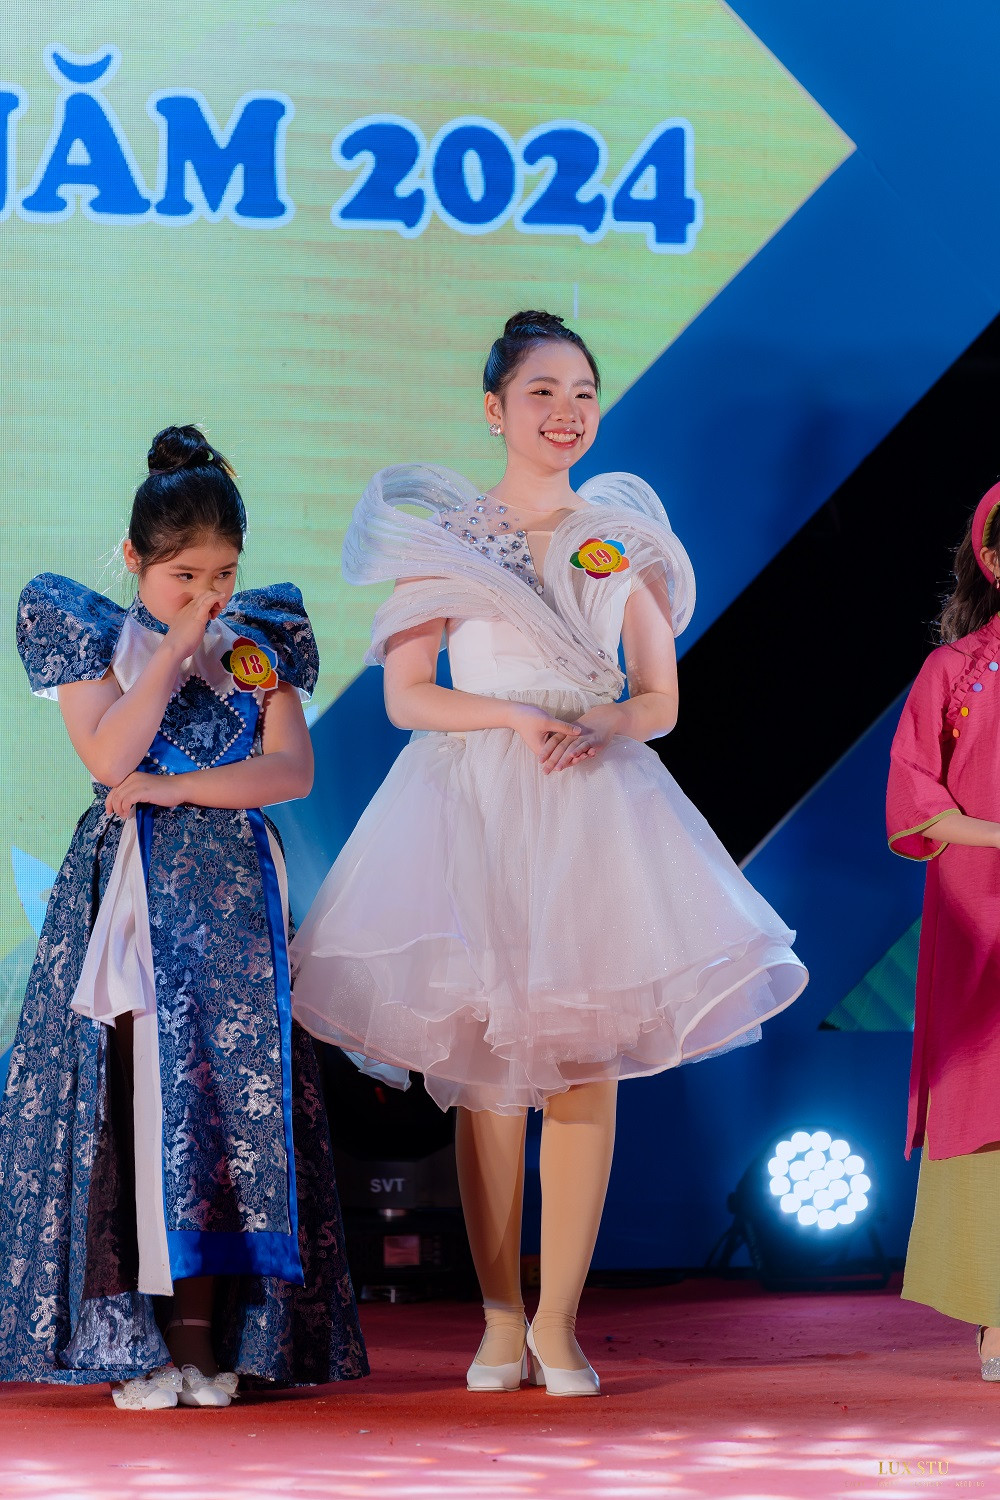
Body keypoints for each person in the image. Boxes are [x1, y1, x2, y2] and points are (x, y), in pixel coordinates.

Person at [291, 312, 807, 1396]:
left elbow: (659, 698)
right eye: (542, 392)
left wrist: (607, 720)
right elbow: (407, 695)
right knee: (487, 1072)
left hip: (591, 806)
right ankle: (497, 1318)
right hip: (472, 804)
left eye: (582, 392)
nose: (566, 411)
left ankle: (559, 1323)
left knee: (581, 1065)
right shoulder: (447, 539)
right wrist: (511, 717)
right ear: (495, 409)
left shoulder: (619, 538)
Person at [0, 425, 368, 1409]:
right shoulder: (91, 633)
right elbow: (108, 757)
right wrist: (169, 654)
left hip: (234, 903)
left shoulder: (261, 641)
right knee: (134, 1104)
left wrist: (179, 789)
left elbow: (290, 771)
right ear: (134, 559)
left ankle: (208, 1338)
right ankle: (135, 1342)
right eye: (183, 576)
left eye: (222, 573)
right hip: (132, 895)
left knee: (225, 1115)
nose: (207, 594)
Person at [888, 481, 1000, 1379]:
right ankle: (996, 1312)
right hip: (981, 909)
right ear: (992, 560)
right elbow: (916, 799)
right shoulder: (955, 670)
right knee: (987, 1102)